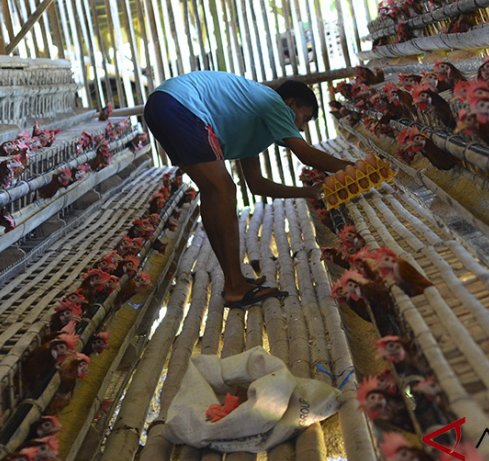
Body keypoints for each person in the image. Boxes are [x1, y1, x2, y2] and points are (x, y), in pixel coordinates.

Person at [144, 71, 351, 308]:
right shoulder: (274, 103)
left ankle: (234, 282)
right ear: (290, 104)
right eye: (304, 118)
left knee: (214, 192)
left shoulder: (252, 120)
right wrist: (354, 168)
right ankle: (235, 287)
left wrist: (308, 192)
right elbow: (305, 154)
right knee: (223, 190)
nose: (302, 128)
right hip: (180, 104)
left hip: (162, 104)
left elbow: (256, 184)